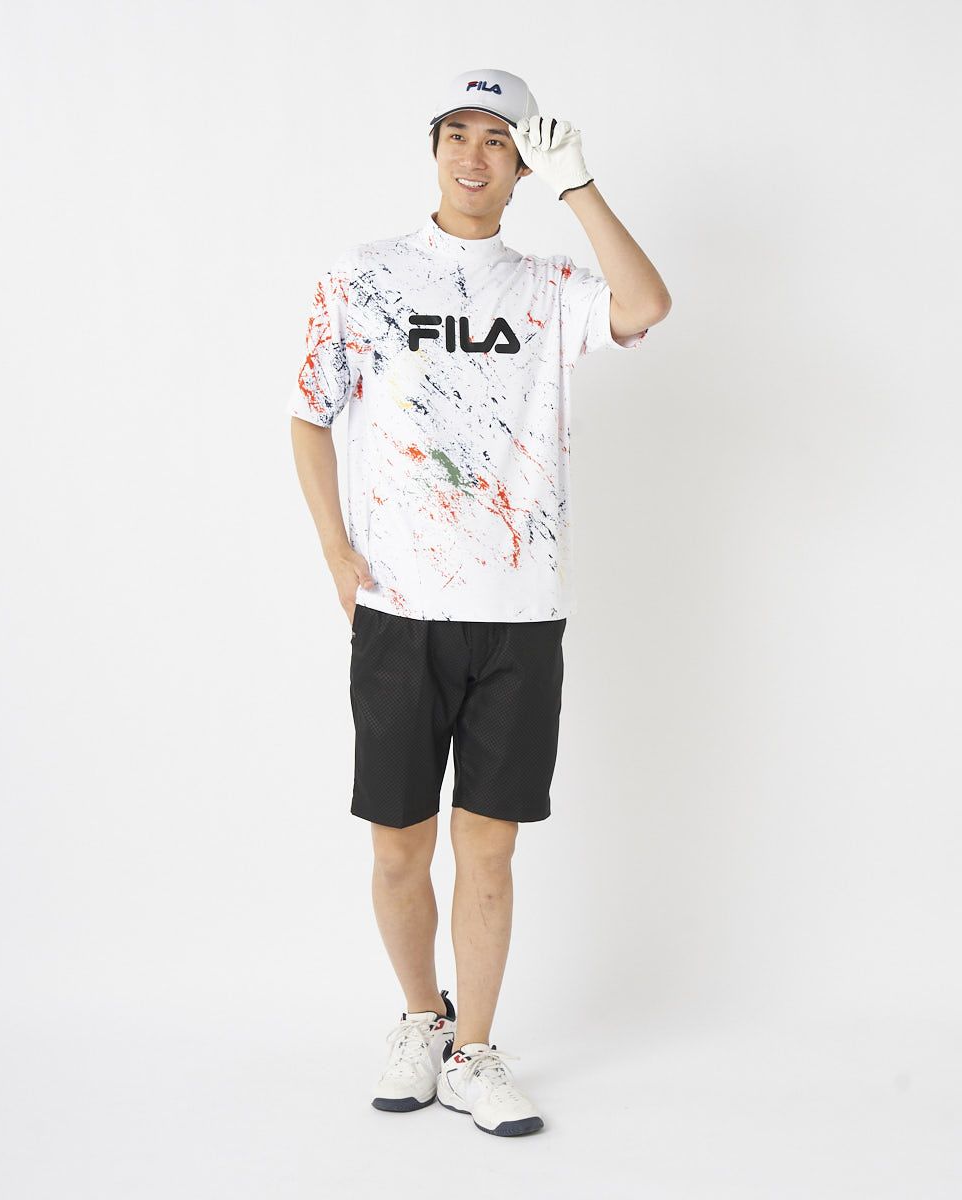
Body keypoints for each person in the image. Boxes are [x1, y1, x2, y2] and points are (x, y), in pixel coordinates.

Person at [288, 68, 671, 1137]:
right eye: (456, 133)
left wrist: (581, 186)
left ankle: (475, 1052)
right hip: (399, 610)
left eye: (497, 139)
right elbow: (308, 414)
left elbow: (644, 306)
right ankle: (422, 1018)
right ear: (433, 150)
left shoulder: (550, 287)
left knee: (490, 852)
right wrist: (336, 552)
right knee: (398, 848)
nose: (473, 154)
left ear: (520, 164)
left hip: (519, 613)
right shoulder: (364, 275)